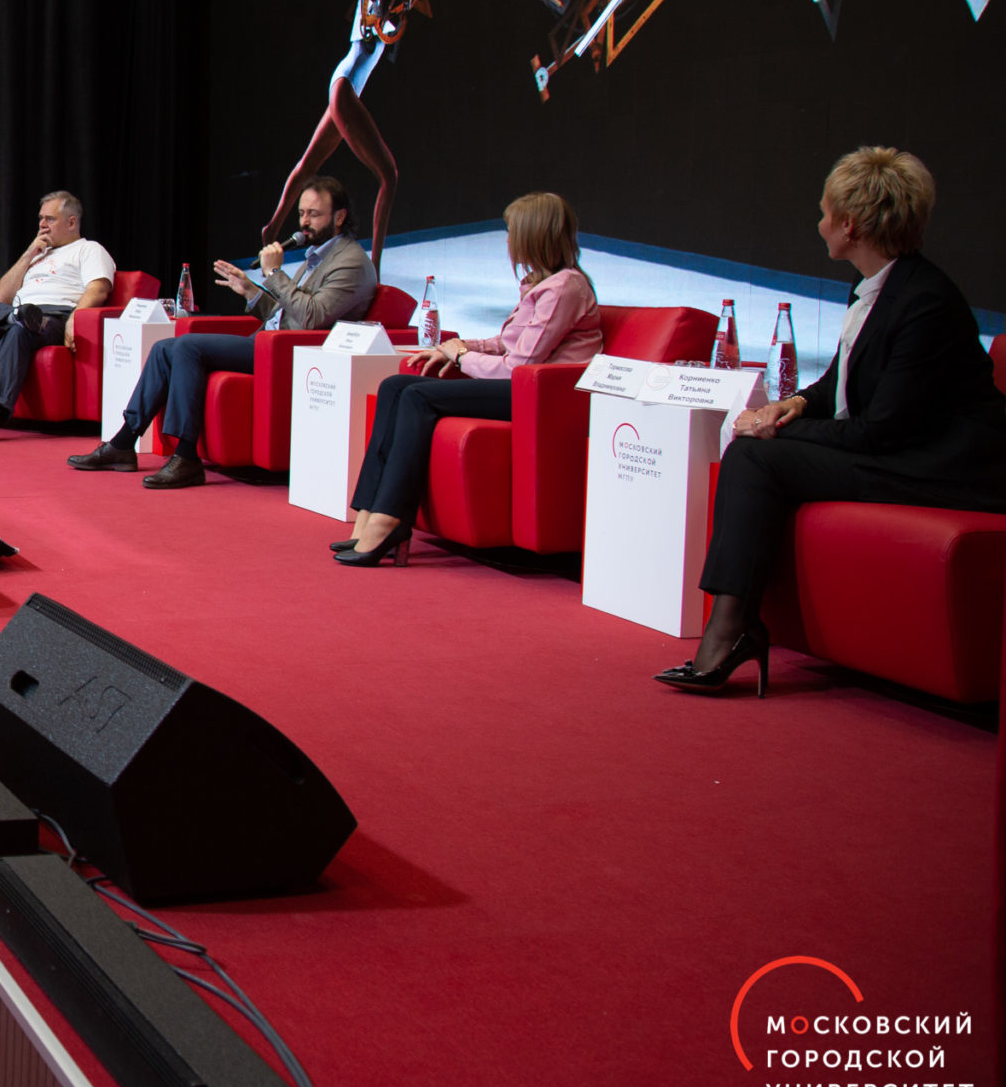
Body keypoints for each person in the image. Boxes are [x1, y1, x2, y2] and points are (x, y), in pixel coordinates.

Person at [661, 148, 1006, 694]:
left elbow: (880, 431)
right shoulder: (874, 287)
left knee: (755, 455)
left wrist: (775, 429)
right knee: (753, 451)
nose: (818, 222)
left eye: (824, 212)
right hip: (899, 450)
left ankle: (729, 630)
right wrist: (793, 405)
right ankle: (731, 629)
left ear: (850, 225)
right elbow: (841, 384)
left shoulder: (926, 303)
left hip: (945, 470)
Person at [337, 192, 603, 567]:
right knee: (394, 387)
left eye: (511, 232)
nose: (508, 241)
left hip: (543, 397)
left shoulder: (564, 287)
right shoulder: (543, 283)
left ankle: (390, 519)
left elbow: (521, 365)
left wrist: (462, 356)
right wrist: (458, 346)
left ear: (532, 235)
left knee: (417, 397)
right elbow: (510, 342)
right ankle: (367, 512)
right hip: (523, 387)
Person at [69, 177, 380, 487]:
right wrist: (250, 291)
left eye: (314, 214)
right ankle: (124, 442)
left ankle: (186, 456)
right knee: (165, 348)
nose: (304, 223)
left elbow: (312, 318)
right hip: (271, 344)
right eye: (301, 213)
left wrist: (273, 273)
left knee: (188, 347)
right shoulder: (318, 256)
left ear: (339, 217)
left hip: (293, 354)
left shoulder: (350, 262)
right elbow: (289, 312)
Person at [0, 191, 118, 444]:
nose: (42, 224)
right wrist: (29, 253)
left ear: (71, 222)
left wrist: (76, 318)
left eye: (50, 219)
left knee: (20, 330)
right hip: (17, 314)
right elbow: (3, 296)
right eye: (41, 218)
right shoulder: (38, 254)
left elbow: (98, 289)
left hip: (54, 317)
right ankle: (16, 318)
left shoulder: (89, 249)